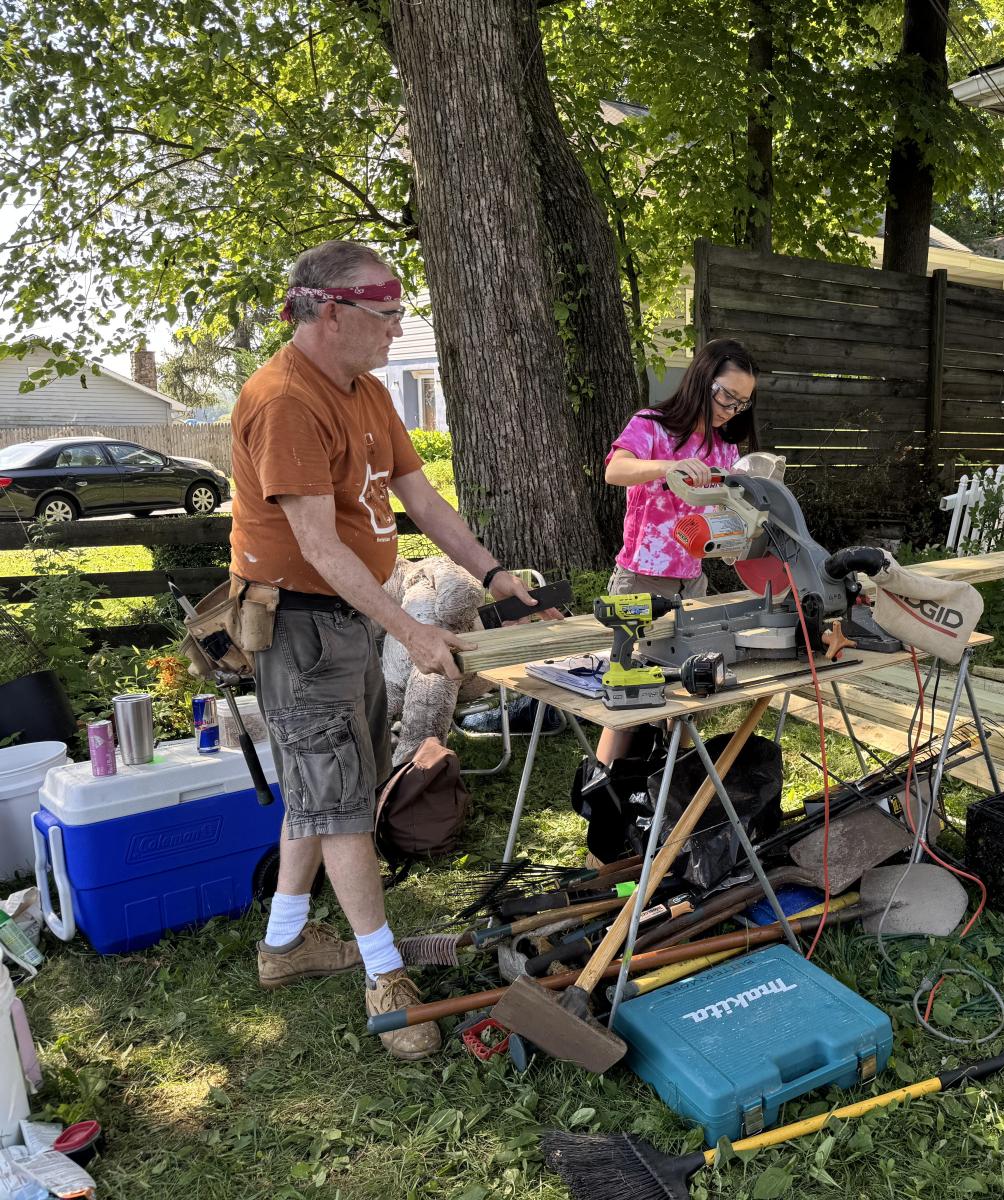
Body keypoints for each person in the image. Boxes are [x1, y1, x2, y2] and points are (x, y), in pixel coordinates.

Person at [233, 239, 550, 1060]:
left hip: (346, 617)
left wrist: (494, 575)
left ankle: (285, 944)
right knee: (340, 803)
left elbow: (423, 501)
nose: (397, 328)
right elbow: (318, 546)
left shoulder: (368, 391)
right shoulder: (285, 400)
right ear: (331, 312)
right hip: (299, 625)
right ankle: (384, 975)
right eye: (386, 314)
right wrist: (412, 630)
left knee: (330, 786)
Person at [592, 339, 758, 768]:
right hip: (641, 581)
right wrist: (669, 467)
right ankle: (601, 787)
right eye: (726, 396)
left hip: (693, 583)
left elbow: (729, 510)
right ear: (703, 379)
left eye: (741, 403)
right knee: (628, 695)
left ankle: (672, 783)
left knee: (691, 690)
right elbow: (615, 470)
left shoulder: (724, 447)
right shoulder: (652, 425)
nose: (731, 409)